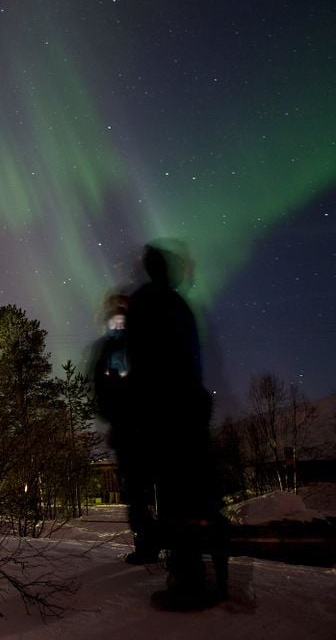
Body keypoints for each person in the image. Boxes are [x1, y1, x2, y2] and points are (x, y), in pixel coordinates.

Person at [126, 242, 227, 610]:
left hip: (163, 411)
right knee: (189, 490)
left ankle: (188, 581)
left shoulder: (143, 303)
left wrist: (138, 411)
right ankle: (194, 569)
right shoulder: (177, 304)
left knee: (173, 493)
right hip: (188, 407)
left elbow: (138, 362)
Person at [92, 294, 160, 565]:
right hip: (133, 428)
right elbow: (101, 389)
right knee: (139, 493)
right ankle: (148, 545)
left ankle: (152, 546)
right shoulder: (112, 350)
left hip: (141, 428)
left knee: (142, 491)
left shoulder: (135, 347)